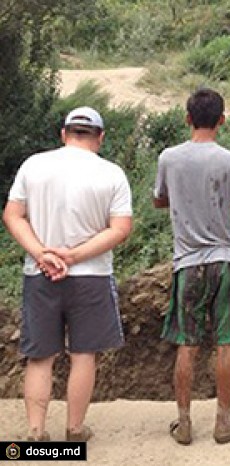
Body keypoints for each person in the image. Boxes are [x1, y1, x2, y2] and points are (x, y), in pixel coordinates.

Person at [2, 106, 133, 442]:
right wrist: (73, 256)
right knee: (83, 354)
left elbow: (13, 215)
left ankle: (35, 434)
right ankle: (74, 431)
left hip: (40, 274)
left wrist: (41, 253)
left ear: (63, 133)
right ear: (100, 137)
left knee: (40, 357)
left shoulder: (34, 165)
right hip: (91, 275)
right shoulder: (112, 174)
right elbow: (120, 229)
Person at [153, 88, 230, 445]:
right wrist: (228, 218)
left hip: (187, 263)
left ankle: (183, 423)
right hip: (225, 261)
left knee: (187, 343)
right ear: (222, 120)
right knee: (226, 343)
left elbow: (159, 199)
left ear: (187, 119)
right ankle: (223, 422)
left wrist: (185, 200)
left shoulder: (169, 157)